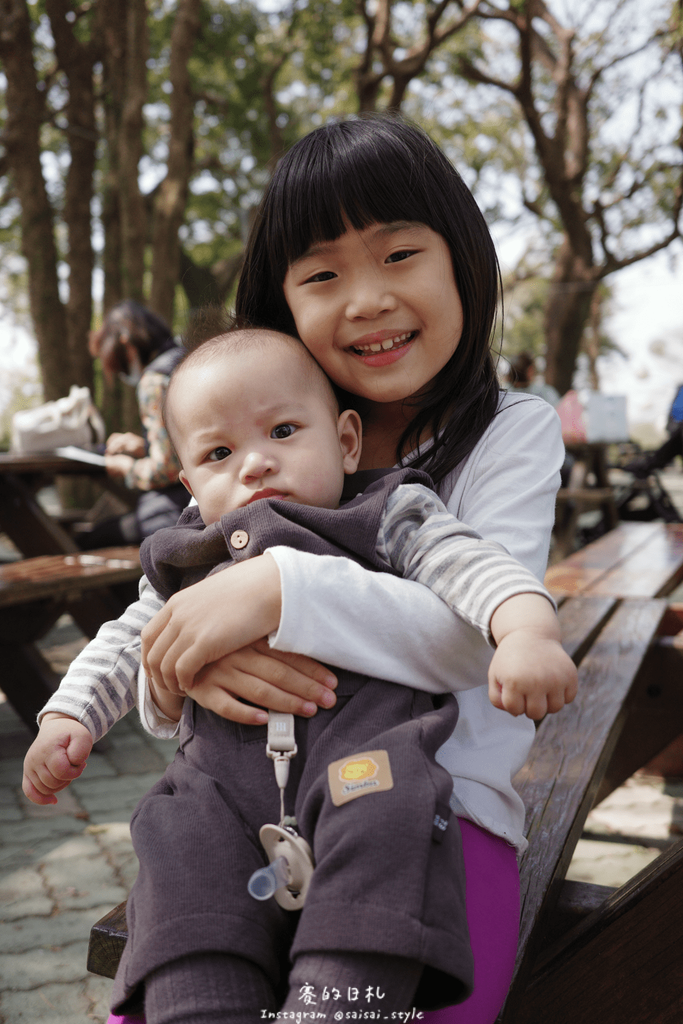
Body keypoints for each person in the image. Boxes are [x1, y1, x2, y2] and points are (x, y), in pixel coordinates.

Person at [23, 326, 576, 1023]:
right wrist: (68, 716)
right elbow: (129, 639)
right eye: (220, 453)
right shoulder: (185, 554)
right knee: (175, 847)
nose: (254, 464)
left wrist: (524, 630)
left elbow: (473, 567)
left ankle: (340, 995)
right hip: (219, 789)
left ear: (346, 440)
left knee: (387, 831)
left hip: (364, 763)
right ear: (189, 484)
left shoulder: (383, 511)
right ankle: (201, 1002)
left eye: (283, 430)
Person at [80, 301, 190, 549]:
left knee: (87, 540)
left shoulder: (154, 380)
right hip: (203, 503)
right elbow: (187, 447)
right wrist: (144, 446)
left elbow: (165, 471)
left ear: (126, 346)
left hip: (177, 513)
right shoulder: (187, 359)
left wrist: (124, 467)